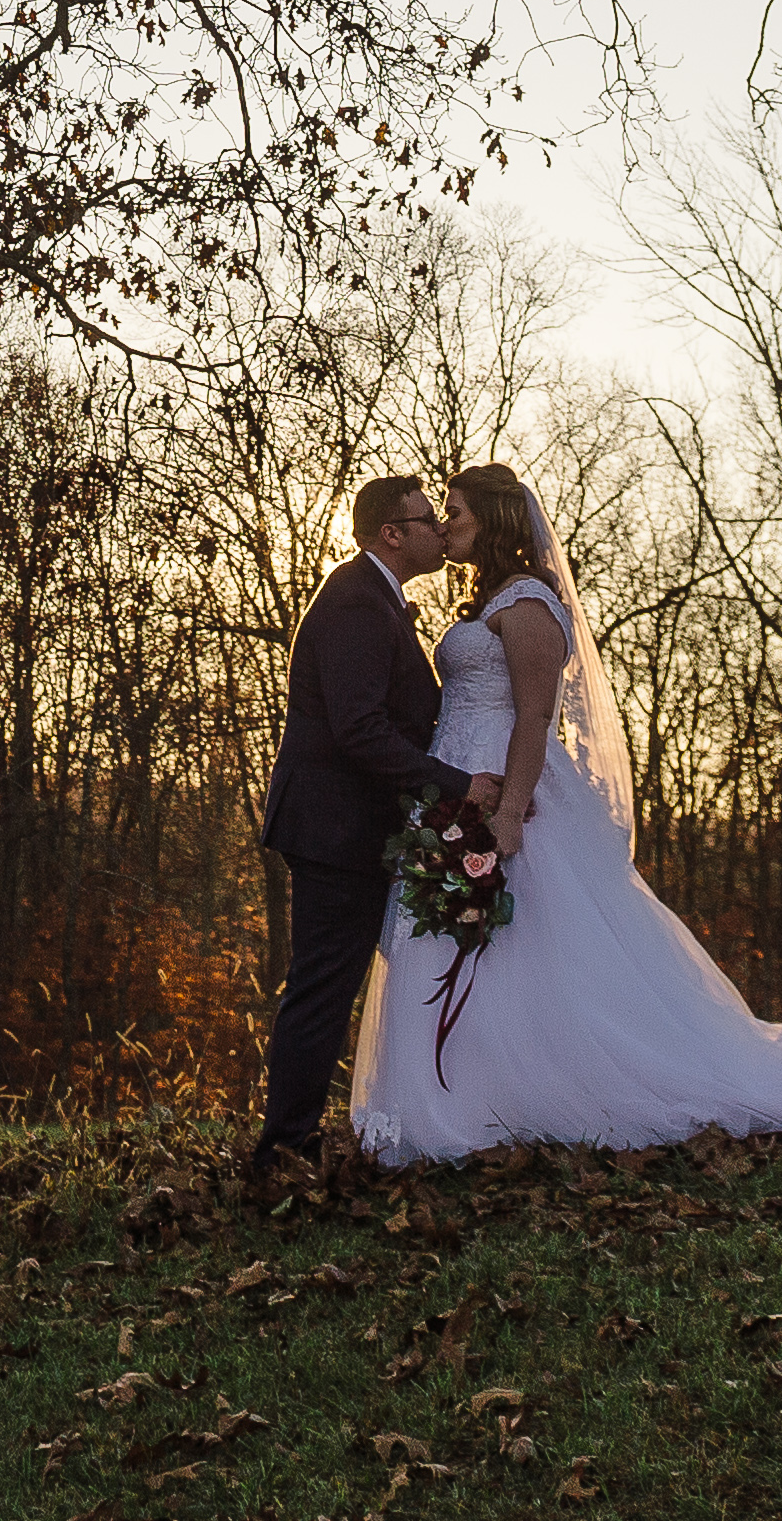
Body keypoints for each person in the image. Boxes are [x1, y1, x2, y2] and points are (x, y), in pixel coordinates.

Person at [345, 462, 782, 1161]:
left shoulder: (527, 603)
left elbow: (533, 720)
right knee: (473, 945)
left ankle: (531, 1094)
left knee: (528, 944)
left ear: (494, 521)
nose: (445, 523)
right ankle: (467, 1093)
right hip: (460, 788)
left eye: (457, 512)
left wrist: (508, 817)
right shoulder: (492, 602)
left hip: (510, 795)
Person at [250, 473, 491, 1174]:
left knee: (329, 984)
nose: (439, 533)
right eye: (426, 520)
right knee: (323, 987)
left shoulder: (375, 598)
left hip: (349, 826)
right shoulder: (357, 601)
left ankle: (295, 1141)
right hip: (334, 829)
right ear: (393, 532)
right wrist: (459, 785)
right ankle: (282, 1152)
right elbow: (360, 731)